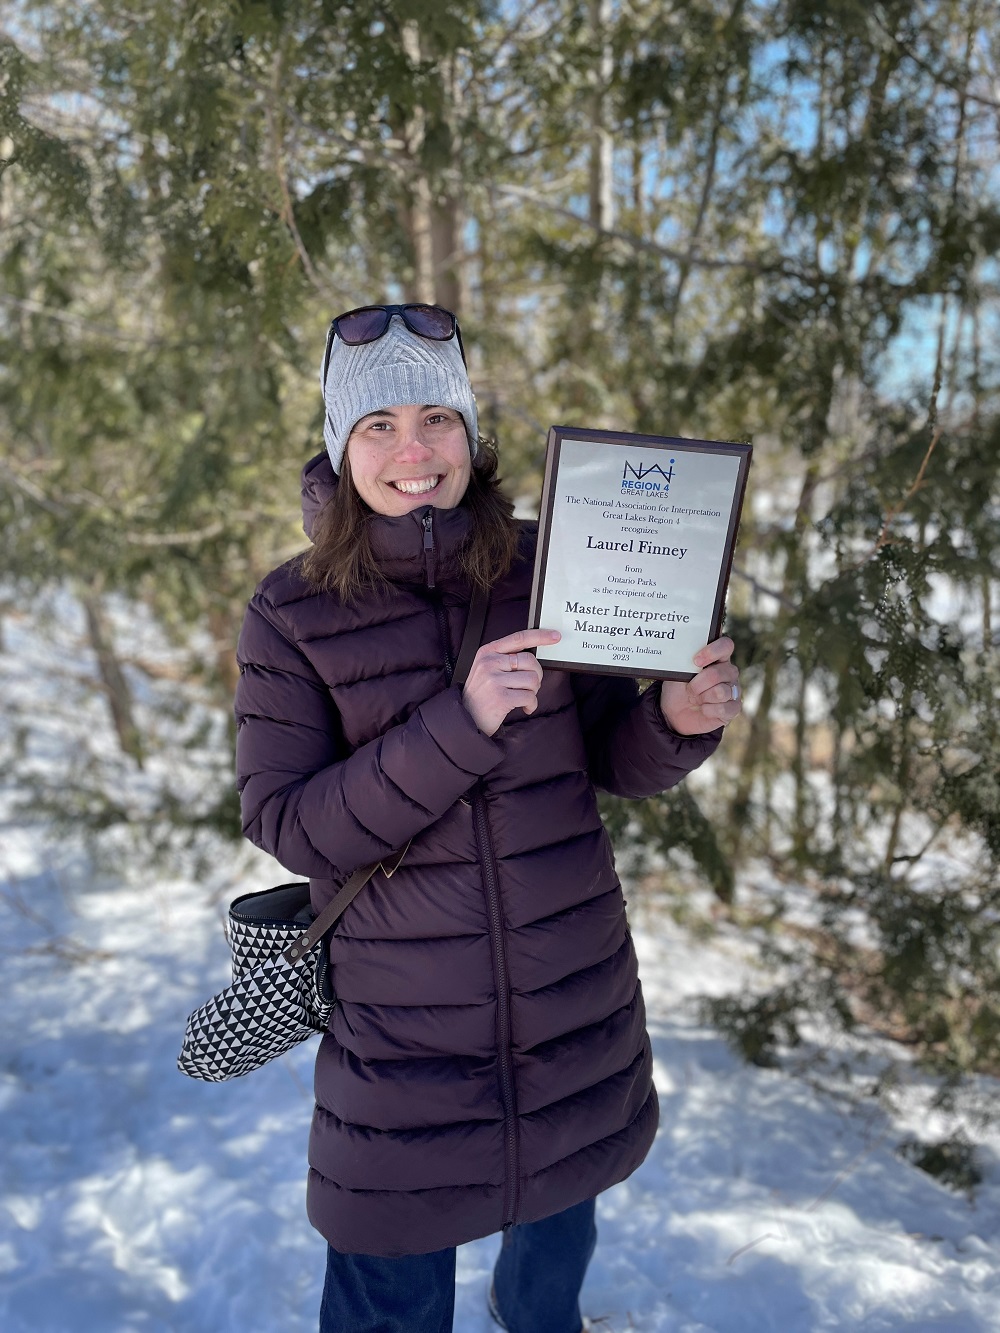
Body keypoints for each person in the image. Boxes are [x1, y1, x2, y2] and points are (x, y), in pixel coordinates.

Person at [234, 303, 742, 1333]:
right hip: (404, 1039)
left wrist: (674, 721)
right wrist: (457, 723)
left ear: (472, 434)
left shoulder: (547, 566)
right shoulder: (291, 612)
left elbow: (608, 756)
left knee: (550, 1269)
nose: (412, 449)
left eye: (437, 418)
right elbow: (290, 823)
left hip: (569, 1004)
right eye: (378, 425)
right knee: (391, 1300)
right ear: (340, 444)